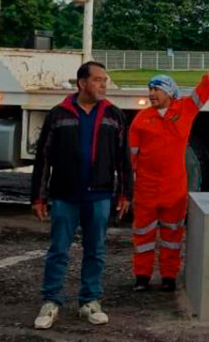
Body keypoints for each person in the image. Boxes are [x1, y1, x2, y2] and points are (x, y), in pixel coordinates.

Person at [31, 61, 132, 330]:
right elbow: (43, 158)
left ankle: (90, 301)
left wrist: (124, 194)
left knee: (96, 250)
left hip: (99, 196)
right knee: (58, 250)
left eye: (104, 80)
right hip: (64, 195)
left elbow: (123, 160)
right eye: (97, 80)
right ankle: (51, 301)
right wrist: (38, 197)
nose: (103, 85)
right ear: (82, 83)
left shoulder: (114, 114)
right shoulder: (58, 114)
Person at [129, 48, 209, 292]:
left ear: (170, 92)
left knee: (172, 235)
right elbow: (131, 157)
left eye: (157, 89)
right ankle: (141, 277)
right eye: (150, 89)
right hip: (146, 189)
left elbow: (204, 88)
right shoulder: (141, 119)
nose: (152, 94)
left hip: (174, 188)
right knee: (142, 235)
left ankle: (168, 278)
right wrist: (128, 185)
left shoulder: (185, 110)